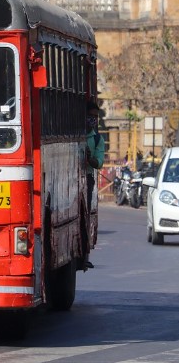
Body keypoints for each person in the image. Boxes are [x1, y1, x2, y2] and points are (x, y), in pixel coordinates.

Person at [85, 101, 105, 268]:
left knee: (84, 215)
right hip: (72, 178)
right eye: (90, 116)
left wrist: (90, 158)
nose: (93, 120)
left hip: (87, 178)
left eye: (95, 118)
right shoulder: (75, 133)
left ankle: (84, 254)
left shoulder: (97, 138)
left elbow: (98, 162)